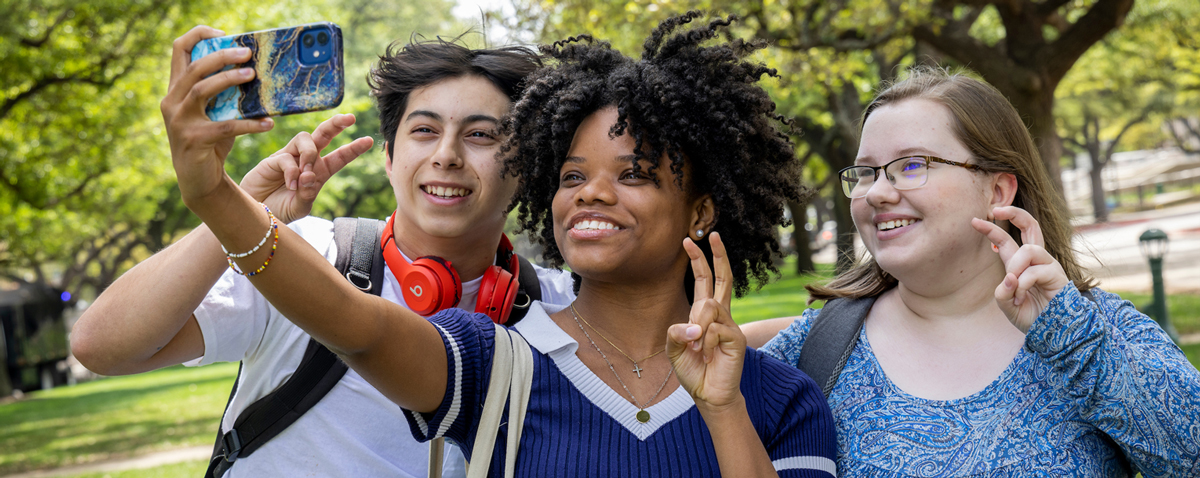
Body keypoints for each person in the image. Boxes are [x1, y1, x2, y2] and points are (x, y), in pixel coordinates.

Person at [168, 12, 838, 477]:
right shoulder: (493, 361)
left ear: (701, 211)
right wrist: (215, 197)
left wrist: (723, 410)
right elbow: (359, 327)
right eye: (571, 175)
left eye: (632, 173)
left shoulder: (780, 398)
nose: (591, 194)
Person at [70, 26, 577, 477]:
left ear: (526, 169)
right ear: (389, 158)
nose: (446, 155)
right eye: (423, 130)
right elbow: (103, 347)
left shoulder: (564, 311)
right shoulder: (298, 253)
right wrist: (237, 210)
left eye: (481, 135)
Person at [748, 67, 1200, 476]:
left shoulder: (1097, 333)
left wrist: (1070, 336)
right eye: (866, 173)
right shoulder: (812, 352)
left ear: (998, 191)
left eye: (911, 165)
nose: (878, 193)